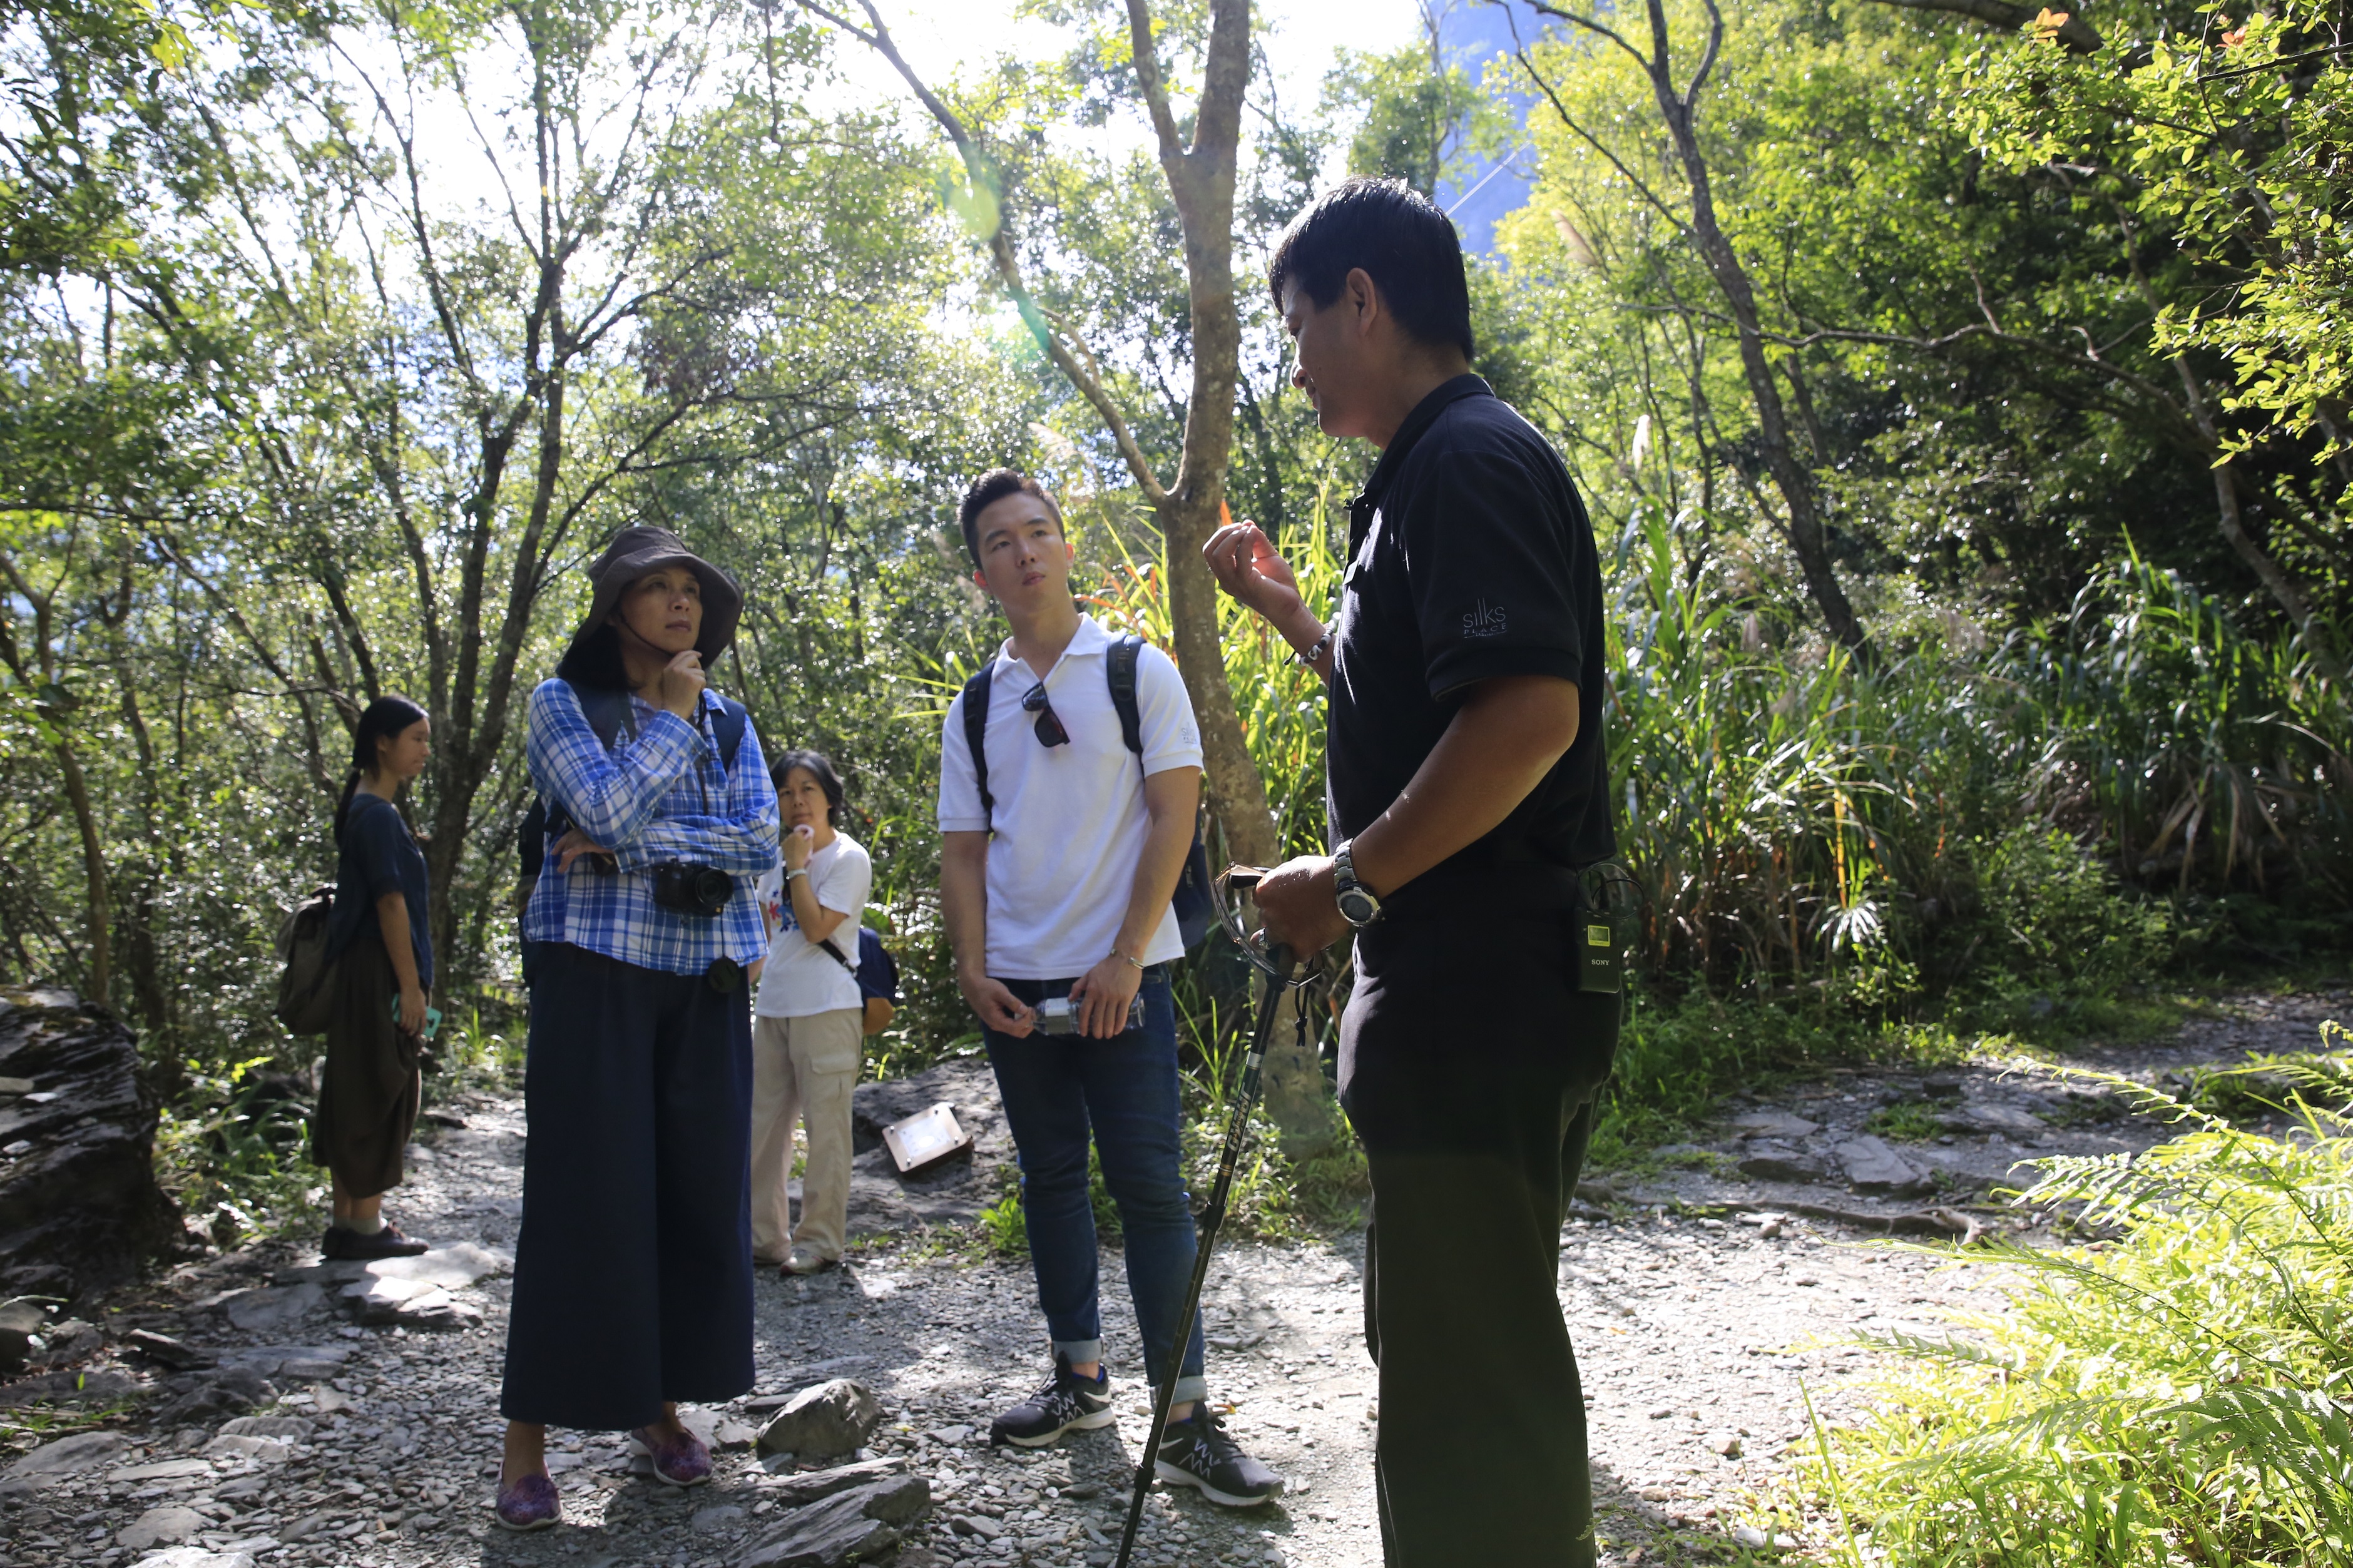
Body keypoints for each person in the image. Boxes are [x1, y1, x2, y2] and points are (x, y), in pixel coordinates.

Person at [1204, 178, 1621, 1565]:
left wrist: (1342, 887)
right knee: (1453, 1340)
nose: (1296, 358)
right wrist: (1286, 615)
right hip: (1467, 993)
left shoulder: (1469, 460)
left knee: (1469, 1378)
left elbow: (1522, 716)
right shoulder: (1432, 474)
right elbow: (1419, 692)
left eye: (1298, 324)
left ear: (1363, 301)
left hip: (1473, 987)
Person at [938, 468, 1282, 1507]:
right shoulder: (976, 705)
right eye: (1002, 541)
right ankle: (1079, 1380)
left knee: (1150, 1192)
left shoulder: (1137, 671)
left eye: (1040, 531)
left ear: (1068, 546)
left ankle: (1186, 1420)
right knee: (1049, 1183)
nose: (1026, 552)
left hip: (1125, 982)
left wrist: (1128, 954)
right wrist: (971, 967)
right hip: (1018, 992)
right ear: (982, 571)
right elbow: (964, 851)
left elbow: (1176, 818)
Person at [493, 526, 780, 1532]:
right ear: (615, 608)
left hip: (700, 983)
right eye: (654, 589)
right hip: (595, 977)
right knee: (582, 1198)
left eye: (690, 590)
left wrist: (626, 838)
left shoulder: (736, 722)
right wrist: (662, 726)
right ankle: (524, 1447)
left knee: (691, 1199)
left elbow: (755, 843)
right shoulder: (561, 704)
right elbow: (603, 807)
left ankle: (661, 1411)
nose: (679, 604)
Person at [312, 694, 437, 1261]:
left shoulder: (363, 808)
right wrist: (410, 988)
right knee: (386, 1084)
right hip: (379, 973)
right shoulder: (379, 816)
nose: (425, 752)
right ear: (382, 743)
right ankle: (366, 1227)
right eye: (416, 739)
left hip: (363, 971)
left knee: (357, 1080)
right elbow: (391, 905)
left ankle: (347, 1221)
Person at [748, 749, 872, 1277]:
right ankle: (761, 1238)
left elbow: (818, 927)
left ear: (829, 798)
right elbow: (763, 940)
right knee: (760, 1130)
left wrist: (798, 866)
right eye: (785, 792)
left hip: (828, 1008)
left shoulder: (848, 858)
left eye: (808, 790)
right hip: (774, 1007)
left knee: (827, 1132)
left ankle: (820, 1241)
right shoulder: (768, 863)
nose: (797, 802)